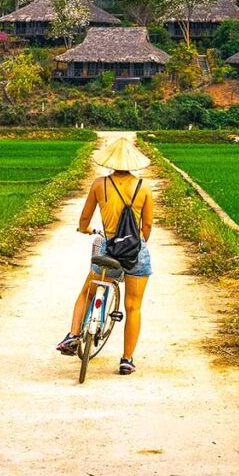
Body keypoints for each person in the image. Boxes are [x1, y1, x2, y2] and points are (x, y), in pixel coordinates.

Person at [56, 138, 154, 375]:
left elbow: (83, 221)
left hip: (109, 249)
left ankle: (73, 334)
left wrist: (86, 230)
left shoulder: (100, 184)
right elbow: (148, 226)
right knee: (133, 307)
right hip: (135, 252)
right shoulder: (144, 187)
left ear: (110, 162)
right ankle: (127, 360)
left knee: (87, 293)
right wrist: (137, 244)